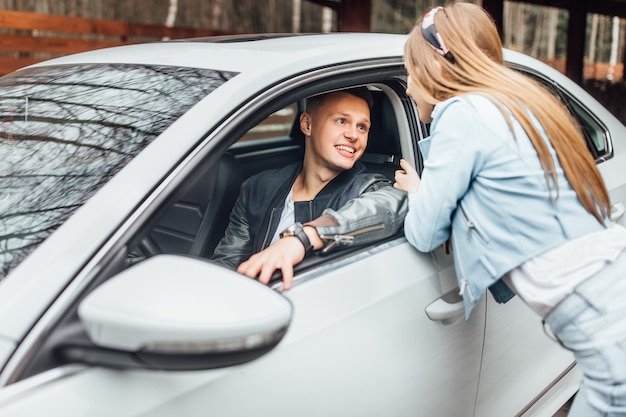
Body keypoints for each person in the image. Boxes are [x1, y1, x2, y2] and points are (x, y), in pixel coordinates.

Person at [394, 3, 626, 416]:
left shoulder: (462, 114)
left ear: (439, 69)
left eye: (412, 72)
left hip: (601, 314)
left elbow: (424, 232)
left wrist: (418, 189)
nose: (408, 87)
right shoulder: (512, 105)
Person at [213, 87, 407, 290]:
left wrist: (304, 237)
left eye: (362, 127)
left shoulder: (369, 188)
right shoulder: (257, 189)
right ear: (307, 124)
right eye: (342, 121)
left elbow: (390, 205)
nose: (353, 135)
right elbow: (227, 265)